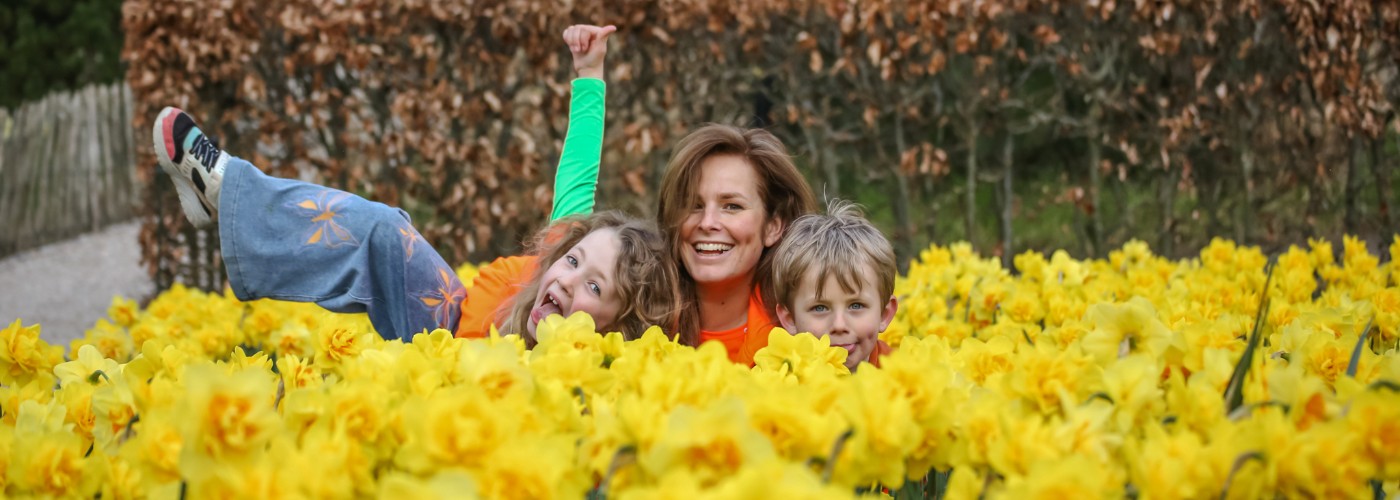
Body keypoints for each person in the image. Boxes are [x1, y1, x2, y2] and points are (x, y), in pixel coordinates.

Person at [150, 24, 679, 344]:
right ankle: (224, 185)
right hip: (440, 331)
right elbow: (578, 173)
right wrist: (590, 72)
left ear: (620, 326)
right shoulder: (550, 261)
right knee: (384, 230)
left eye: (594, 288)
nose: (568, 279)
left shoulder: (611, 376)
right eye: (573, 262)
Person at [655, 125, 818, 364]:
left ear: (773, 226)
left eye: (732, 206)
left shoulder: (815, 334)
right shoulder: (634, 322)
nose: (707, 222)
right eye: (693, 204)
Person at [770, 200, 897, 371]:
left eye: (856, 305)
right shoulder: (775, 382)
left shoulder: (905, 376)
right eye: (820, 308)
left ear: (884, 314)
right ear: (789, 319)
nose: (839, 325)